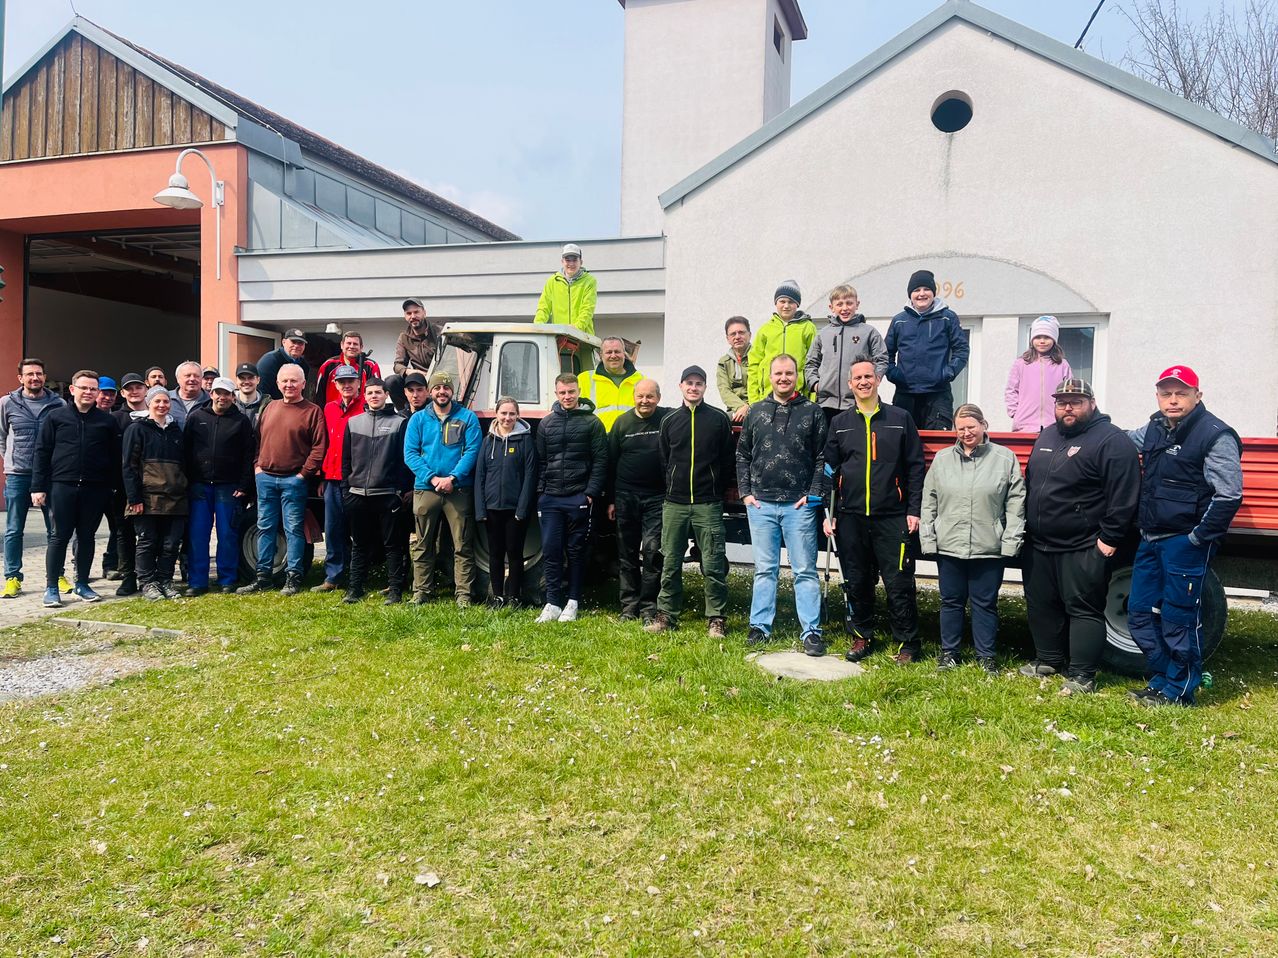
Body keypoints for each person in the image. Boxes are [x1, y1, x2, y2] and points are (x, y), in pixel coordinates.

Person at [1125, 366, 1242, 706]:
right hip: (1150, 537)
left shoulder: (1215, 435)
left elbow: (1229, 495)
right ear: (1158, 397)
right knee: (1139, 613)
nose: (1173, 400)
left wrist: (1198, 538)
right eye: (1166, 393)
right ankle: (1164, 677)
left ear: (1197, 396)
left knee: (1178, 618)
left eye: (1181, 393)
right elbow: (1119, 440)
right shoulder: (1154, 429)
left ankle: (1181, 690)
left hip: (1184, 542)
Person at [1022, 379, 1141, 693]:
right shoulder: (1047, 435)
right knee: (1040, 603)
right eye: (1062, 402)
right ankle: (1048, 659)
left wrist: (1110, 538)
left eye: (1075, 401)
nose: (1068, 407)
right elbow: (1032, 481)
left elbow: (1124, 496)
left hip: (1084, 545)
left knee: (1083, 609)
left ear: (1091, 402)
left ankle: (1082, 676)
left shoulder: (1112, 441)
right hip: (1040, 542)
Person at [823, 360, 926, 663]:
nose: (864, 381)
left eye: (869, 376)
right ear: (850, 384)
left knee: (898, 582)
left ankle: (907, 644)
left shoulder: (900, 418)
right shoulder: (840, 422)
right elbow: (829, 469)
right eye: (858, 378)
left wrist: (914, 509)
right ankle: (862, 636)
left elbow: (915, 467)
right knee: (857, 580)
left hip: (892, 515)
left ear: (878, 380)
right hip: (851, 516)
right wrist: (827, 513)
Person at [919, 403, 1026, 673]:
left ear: (984, 425)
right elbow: (929, 500)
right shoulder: (942, 460)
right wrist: (929, 538)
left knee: (985, 603)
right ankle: (949, 653)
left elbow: (1016, 503)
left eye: (971, 427)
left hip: (988, 545)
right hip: (950, 544)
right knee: (950, 601)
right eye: (961, 428)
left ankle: (986, 656)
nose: (966, 433)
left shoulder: (1004, 458)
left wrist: (1010, 540)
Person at [736, 355, 828, 654]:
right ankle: (760, 627)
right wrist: (746, 494)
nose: (783, 378)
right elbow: (742, 454)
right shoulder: (757, 412)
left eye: (789, 373)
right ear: (770, 376)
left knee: (804, 569)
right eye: (778, 373)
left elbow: (821, 458)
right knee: (765, 569)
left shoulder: (812, 412)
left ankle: (811, 631)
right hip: (760, 504)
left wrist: (813, 494)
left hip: (798, 505)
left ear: (797, 376)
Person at [647, 366, 734, 638]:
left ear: (705, 387)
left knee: (713, 562)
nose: (693, 388)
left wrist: (715, 490)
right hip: (675, 503)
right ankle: (666, 615)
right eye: (689, 383)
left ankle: (716, 618)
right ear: (681, 386)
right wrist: (673, 486)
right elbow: (664, 459)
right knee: (670, 561)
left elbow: (727, 460)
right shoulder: (669, 420)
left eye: (699, 383)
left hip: (708, 503)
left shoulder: (719, 419)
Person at [31, 370, 119, 608]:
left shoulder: (107, 421)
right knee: (58, 537)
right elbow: (41, 452)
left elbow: (114, 456)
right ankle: (51, 587)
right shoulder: (55, 417)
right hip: (62, 485)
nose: (88, 392)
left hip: (95, 488)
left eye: (93, 389)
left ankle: (82, 583)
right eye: (84, 388)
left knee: (87, 537)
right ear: (72, 389)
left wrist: (111, 487)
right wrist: (38, 487)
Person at [237, 364, 326, 596]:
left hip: (293, 481)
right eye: (285, 381)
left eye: (294, 381)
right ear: (277, 384)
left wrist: (302, 475)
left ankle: (293, 577)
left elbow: (319, 447)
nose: (289, 385)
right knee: (264, 527)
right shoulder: (269, 407)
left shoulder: (312, 411)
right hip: (265, 478)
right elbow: (258, 440)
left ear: (303, 385)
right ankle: (263, 577)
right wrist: (258, 466)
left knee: (293, 530)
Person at [534, 374, 608, 622]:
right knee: (551, 550)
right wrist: (541, 493)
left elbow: (600, 461)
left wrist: (590, 494)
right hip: (551, 499)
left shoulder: (592, 423)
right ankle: (553, 603)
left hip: (578, 497)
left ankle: (573, 602)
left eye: (571, 392)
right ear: (556, 394)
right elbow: (542, 461)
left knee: (576, 551)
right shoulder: (546, 424)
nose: (567, 396)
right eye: (563, 392)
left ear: (579, 392)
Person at [404, 371, 482, 607]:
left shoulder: (467, 418)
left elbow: (472, 451)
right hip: (426, 489)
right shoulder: (417, 420)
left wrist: (453, 477)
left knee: (462, 544)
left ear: (452, 391)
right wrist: (433, 478)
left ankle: (463, 594)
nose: (441, 392)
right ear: (430, 392)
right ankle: (422, 591)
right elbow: (410, 454)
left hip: (458, 490)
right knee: (422, 543)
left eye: (446, 388)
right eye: (437, 388)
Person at [341, 377, 412, 604]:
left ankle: (394, 591)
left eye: (378, 392)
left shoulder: (399, 423)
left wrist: (399, 492)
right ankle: (355, 590)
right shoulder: (353, 423)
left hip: (387, 495)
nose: (374, 396)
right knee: (360, 545)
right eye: (370, 392)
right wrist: (346, 489)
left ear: (386, 395)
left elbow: (404, 461)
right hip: (357, 494)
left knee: (393, 545)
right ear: (365, 395)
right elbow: (346, 460)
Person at [183, 377, 255, 596]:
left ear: (233, 397)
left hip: (229, 487)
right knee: (198, 535)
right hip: (199, 486)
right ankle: (197, 582)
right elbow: (185, 452)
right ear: (211, 394)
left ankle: (227, 579)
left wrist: (244, 484)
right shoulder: (196, 417)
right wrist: (188, 481)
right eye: (218, 393)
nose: (222, 397)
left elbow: (248, 455)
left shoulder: (241, 421)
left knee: (227, 535)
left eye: (227, 394)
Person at [1, 358, 65, 598]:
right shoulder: (7, 403)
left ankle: (57, 574)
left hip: (50, 476)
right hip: (18, 475)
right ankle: (12, 578)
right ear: (20, 378)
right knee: (14, 530)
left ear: (44, 376)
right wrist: (11, 460)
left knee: (56, 530)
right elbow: (2, 436)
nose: (35, 378)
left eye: (38, 374)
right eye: (29, 374)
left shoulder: (57, 403)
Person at [608, 379, 670, 623]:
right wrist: (611, 500)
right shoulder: (622, 423)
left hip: (657, 498)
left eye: (650, 396)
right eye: (641, 396)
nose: (645, 401)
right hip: (625, 497)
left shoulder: (667, 419)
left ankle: (648, 608)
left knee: (653, 553)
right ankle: (629, 606)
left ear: (659, 397)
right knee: (627, 554)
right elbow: (611, 462)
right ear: (633, 397)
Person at [122, 387, 189, 601]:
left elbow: (185, 464)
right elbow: (129, 466)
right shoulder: (137, 429)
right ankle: (148, 583)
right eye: (157, 401)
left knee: (170, 544)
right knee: (147, 541)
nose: (162, 405)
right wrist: (134, 498)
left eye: (166, 401)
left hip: (175, 497)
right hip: (147, 497)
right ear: (149, 403)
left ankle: (165, 580)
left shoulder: (176, 431)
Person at [885, 269, 969, 430]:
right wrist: (895, 375)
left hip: (938, 395)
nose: (921, 294)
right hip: (905, 394)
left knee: (936, 447)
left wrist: (948, 373)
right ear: (910, 294)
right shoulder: (899, 321)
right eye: (916, 290)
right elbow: (885, 354)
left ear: (933, 293)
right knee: (903, 447)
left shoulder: (947, 317)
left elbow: (962, 349)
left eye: (926, 289)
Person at [475, 397, 537, 608]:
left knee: (514, 552)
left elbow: (530, 476)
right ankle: (498, 596)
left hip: (515, 509)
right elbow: (480, 476)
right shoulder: (487, 441)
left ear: (517, 415)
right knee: (495, 553)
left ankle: (514, 596)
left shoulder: (526, 441)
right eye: (504, 413)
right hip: (492, 508)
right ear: (496, 414)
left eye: (512, 414)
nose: (507, 418)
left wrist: (523, 508)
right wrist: (480, 508)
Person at [313, 365, 366, 592]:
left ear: (358, 384)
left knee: (359, 529)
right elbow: (324, 442)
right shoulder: (329, 408)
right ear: (335, 385)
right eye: (342, 382)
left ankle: (359, 575)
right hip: (332, 478)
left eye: (350, 382)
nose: (346, 385)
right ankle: (333, 577)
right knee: (333, 529)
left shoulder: (365, 407)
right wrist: (321, 477)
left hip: (355, 479)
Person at [806, 284, 888, 425]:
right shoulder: (823, 334)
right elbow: (811, 362)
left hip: (857, 402)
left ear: (857, 304)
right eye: (839, 304)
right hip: (826, 404)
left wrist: (874, 379)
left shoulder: (868, 332)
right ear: (832, 307)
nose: (845, 308)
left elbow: (882, 358)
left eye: (849, 303)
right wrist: (816, 385)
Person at [105, 371, 149, 596]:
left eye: (138, 387)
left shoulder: (155, 416)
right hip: (121, 487)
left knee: (149, 534)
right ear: (122, 393)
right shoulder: (114, 420)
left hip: (152, 487)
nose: (134, 391)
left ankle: (149, 576)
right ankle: (128, 576)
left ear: (146, 389)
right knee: (123, 533)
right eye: (129, 388)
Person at [748, 281, 817, 404]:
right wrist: (754, 400)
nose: (786, 306)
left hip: (798, 397)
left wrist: (812, 399)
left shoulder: (808, 328)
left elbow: (813, 363)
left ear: (797, 304)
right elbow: (754, 365)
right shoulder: (765, 329)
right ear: (776, 303)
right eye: (782, 301)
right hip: (767, 397)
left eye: (791, 302)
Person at [1005, 315, 1073, 433]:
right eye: (1038, 337)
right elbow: (1011, 390)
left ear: (1054, 340)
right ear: (1032, 340)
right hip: (1025, 425)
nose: (1042, 341)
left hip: (1055, 424)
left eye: (1047, 337)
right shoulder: (1021, 363)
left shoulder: (1062, 365)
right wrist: (1015, 413)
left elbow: (1069, 391)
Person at [387, 299, 444, 411]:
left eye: (416, 312)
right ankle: (405, 413)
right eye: (409, 313)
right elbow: (397, 365)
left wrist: (432, 377)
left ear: (424, 313)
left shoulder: (440, 333)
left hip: (438, 379)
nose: (413, 316)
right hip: (417, 379)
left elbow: (450, 362)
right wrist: (411, 372)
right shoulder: (404, 337)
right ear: (405, 316)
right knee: (391, 381)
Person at [578, 336, 643, 432]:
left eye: (617, 351)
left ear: (624, 354)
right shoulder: (583, 379)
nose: (613, 356)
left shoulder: (640, 380)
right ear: (601, 355)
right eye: (609, 352)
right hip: (599, 440)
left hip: (630, 440)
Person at [534, 243, 597, 334]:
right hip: (559, 337)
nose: (571, 263)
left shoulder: (589, 281)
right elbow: (543, 308)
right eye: (567, 260)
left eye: (574, 260)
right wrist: (537, 327)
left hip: (583, 337)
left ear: (581, 262)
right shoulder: (552, 281)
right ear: (562, 262)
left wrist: (576, 329)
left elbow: (587, 309)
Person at [315, 330, 382, 407]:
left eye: (355, 344)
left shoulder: (370, 366)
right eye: (349, 343)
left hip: (362, 414)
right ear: (342, 345)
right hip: (333, 413)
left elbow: (377, 392)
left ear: (361, 347)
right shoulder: (328, 365)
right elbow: (319, 395)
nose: (352, 346)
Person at [257, 329, 310, 401]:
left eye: (300, 343)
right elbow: (261, 391)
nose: (296, 346)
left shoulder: (304, 364)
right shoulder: (270, 360)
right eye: (293, 342)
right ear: (284, 342)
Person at [716, 317, 752, 422]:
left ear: (749, 335)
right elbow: (724, 390)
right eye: (733, 334)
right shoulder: (723, 362)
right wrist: (741, 407)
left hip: (757, 408)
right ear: (728, 339)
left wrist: (749, 407)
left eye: (741, 332)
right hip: (734, 410)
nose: (737, 337)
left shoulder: (760, 358)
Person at [167, 361, 211, 428]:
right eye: (187, 376)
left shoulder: (211, 400)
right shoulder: (166, 399)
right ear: (178, 379)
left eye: (197, 376)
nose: (192, 379)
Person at [233, 362, 272, 427]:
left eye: (250, 378)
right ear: (236, 380)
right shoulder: (229, 403)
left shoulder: (268, 406)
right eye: (242, 378)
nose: (246, 382)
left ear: (258, 380)